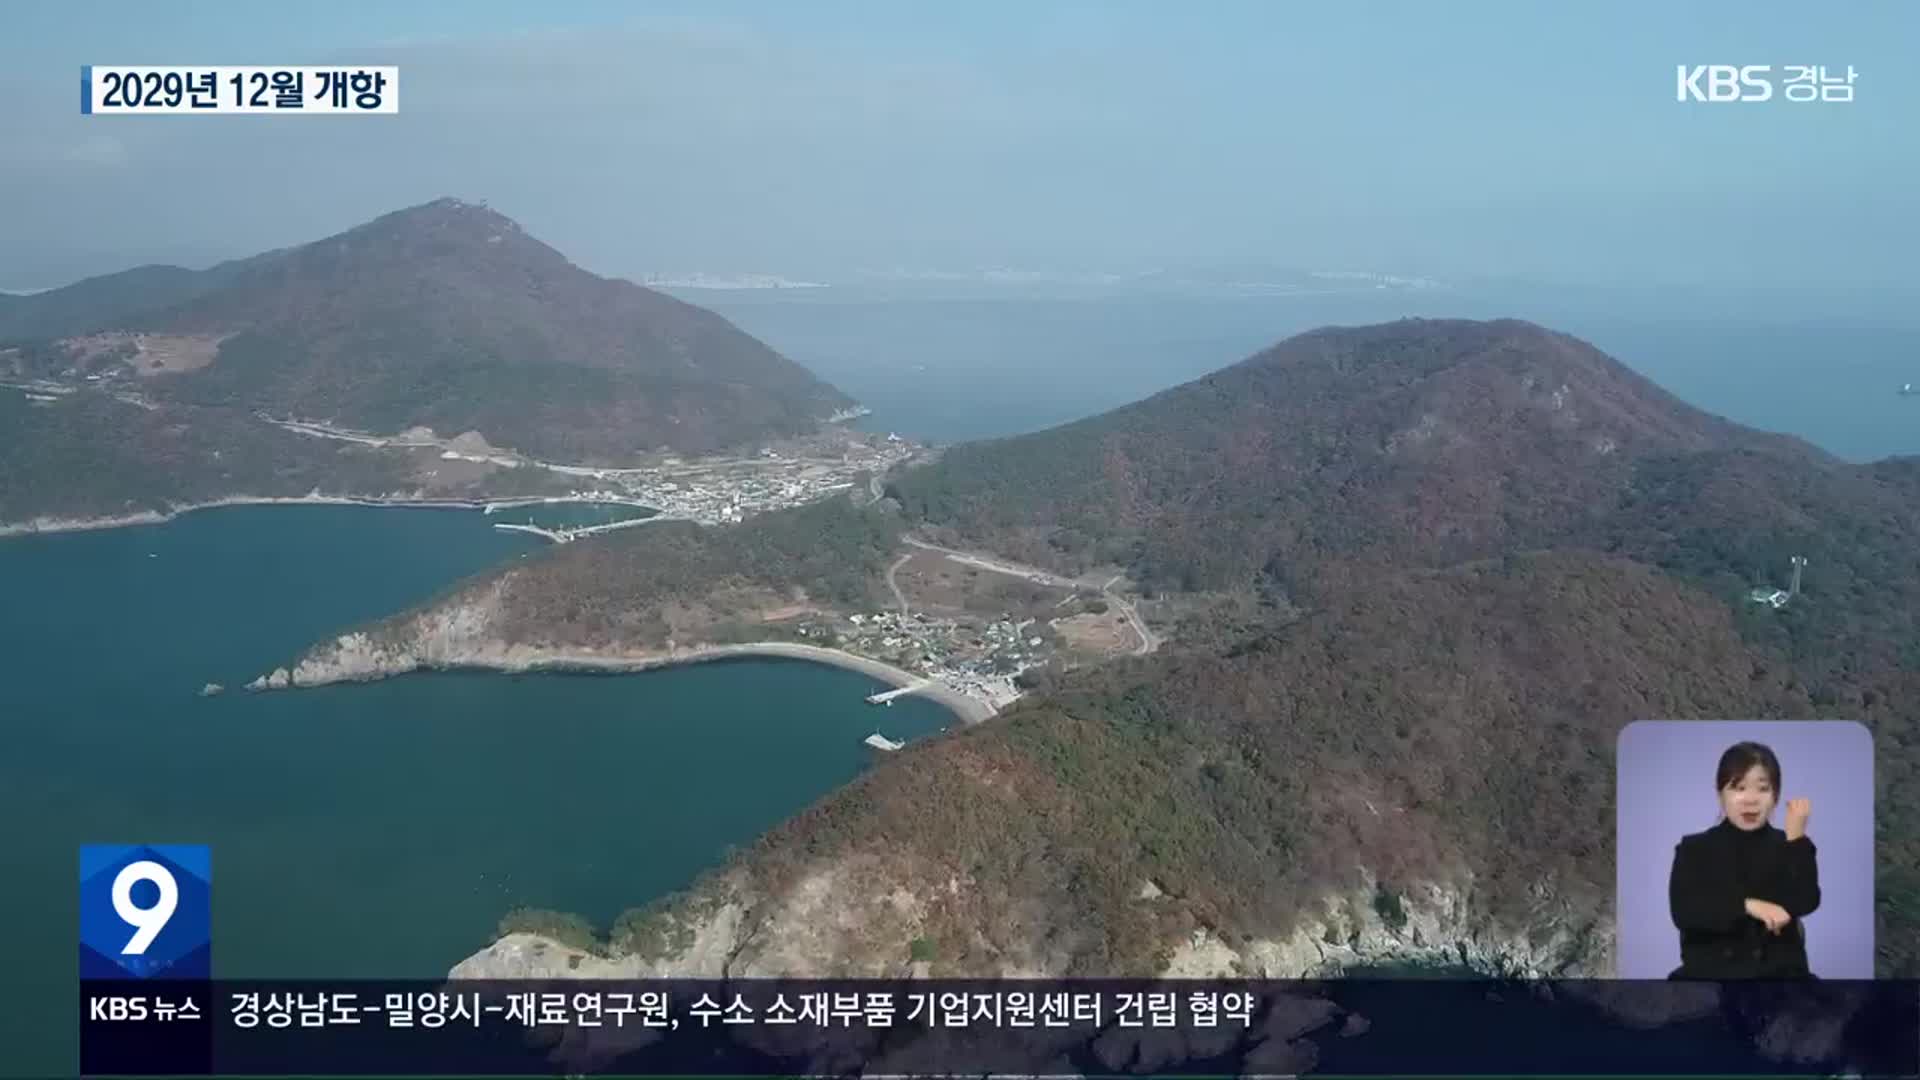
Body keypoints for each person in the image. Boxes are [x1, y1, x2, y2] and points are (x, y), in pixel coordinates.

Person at [1667, 741, 1820, 979]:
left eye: (1762, 789)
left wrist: (1797, 839)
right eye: (1738, 788)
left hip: (1779, 982)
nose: (1751, 799)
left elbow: (1806, 901)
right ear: (1720, 794)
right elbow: (1685, 912)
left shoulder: (1789, 845)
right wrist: (1747, 906)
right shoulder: (1694, 848)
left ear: (1776, 796)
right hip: (1711, 981)